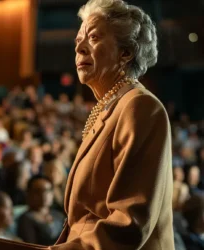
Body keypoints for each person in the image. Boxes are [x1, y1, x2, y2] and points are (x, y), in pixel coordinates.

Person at [50, 0, 174, 249]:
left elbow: (129, 224)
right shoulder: (110, 107)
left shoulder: (140, 107)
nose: (80, 49)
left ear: (126, 52)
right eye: (78, 41)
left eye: (93, 38)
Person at [17, 175, 65, 245]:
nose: (44, 194)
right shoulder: (26, 219)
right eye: (38, 191)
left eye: (47, 190)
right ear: (29, 193)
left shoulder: (59, 215)